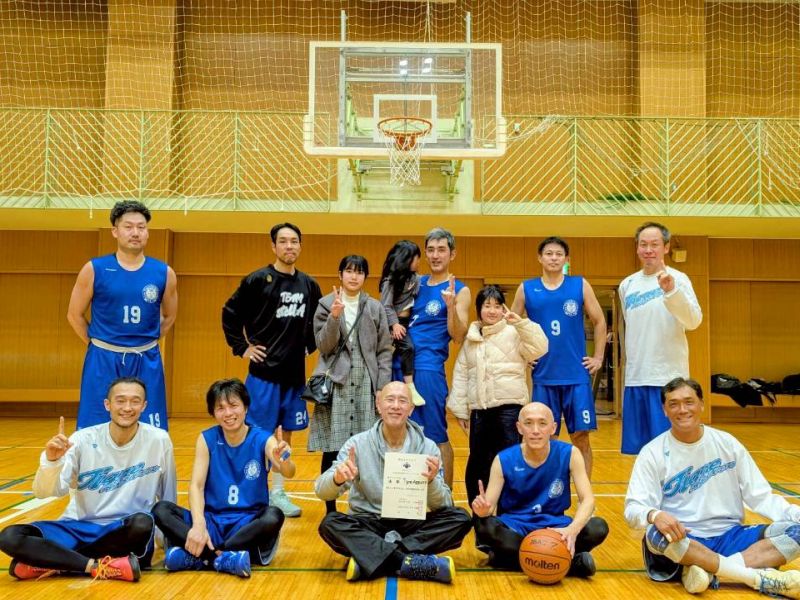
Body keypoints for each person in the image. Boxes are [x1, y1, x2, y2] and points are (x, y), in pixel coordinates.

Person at [625, 378, 800, 597]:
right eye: (674, 404)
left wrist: (796, 514)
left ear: (701, 404)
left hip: (730, 536)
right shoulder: (652, 452)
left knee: (797, 531)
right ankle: (755, 578)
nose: (682, 409)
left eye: (689, 402)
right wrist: (655, 514)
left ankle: (707, 572)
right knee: (654, 533)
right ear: (664, 410)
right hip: (684, 540)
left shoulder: (727, 443)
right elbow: (633, 509)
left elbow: (761, 497)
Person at [0, 377, 176, 582]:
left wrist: (167, 545)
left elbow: (167, 499)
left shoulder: (159, 440)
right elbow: (46, 492)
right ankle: (95, 566)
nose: (127, 407)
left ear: (144, 406)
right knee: (10, 536)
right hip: (79, 527)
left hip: (123, 531)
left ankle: (54, 561)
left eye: (135, 401)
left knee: (143, 523)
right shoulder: (82, 439)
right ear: (107, 404)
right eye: (120, 400)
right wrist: (52, 461)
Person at [315, 381, 472, 583]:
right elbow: (321, 491)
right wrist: (337, 479)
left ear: (411, 409)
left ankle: (371, 558)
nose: (396, 406)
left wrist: (432, 482)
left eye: (402, 401)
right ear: (378, 405)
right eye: (390, 400)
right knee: (330, 523)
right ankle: (407, 561)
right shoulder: (357, 445)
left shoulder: (428, 448)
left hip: (411, 523)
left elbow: (444, 505)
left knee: (460, 518)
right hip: (369, 522)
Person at [222, 222, 321, 517]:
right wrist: (243, 347)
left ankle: (278, 492)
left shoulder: (309, 285)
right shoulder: (257, 280)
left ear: (300, 246)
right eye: (283, 241)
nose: (289, 246)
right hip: (263, 376)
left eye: (294, 241)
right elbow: (230, 313)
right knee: (257, 434)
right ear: (274, 246)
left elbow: (318, 321)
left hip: (294, 376)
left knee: (286, 437)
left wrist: (310, 346)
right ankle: (253, 492)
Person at [153, 379, 294, 578]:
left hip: (247, 524)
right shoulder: (207, 439)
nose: (228, 413)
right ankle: (224, 558)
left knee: (274, 515)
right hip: (212, 521)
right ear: (213, 412)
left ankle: (203, 558)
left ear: (245, 407)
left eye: (233, 405)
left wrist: (284, 459)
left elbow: (288, 472)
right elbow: (196, 486)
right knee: (161, 509)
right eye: (220, 408)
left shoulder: (263, 438)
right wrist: (199, 524)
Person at [67, 200, 178, 430]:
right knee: (95, 424)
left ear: (147, 232)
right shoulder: (94, 269)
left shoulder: (163, 272)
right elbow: (74, 315)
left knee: (151, 426)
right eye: (128, 227)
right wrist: (98, 344)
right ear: (115, 231)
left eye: (141, 227)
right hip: (103, 357)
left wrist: (147, 341)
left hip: (146, 357)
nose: (135, 232)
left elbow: (169, 317)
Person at [471, 402, 608, 576]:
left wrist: (573, 529)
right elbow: (489, 508)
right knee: (483, 526)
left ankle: (510, 559)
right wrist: (482, 510)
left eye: (542, 423)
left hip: (555, 528)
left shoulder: (570, 453)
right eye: (528, 423)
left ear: (553, 428)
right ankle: (570, 564)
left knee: (598, 527)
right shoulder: (503, 459)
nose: (535, 430)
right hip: (516, 528)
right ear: (519, 428)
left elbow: (587, 499)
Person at [510, 236, 606, 478]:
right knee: (545, 438)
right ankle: (549, 490)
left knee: (581, 437)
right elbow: (510, 326)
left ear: (566, 259)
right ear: (540, 258)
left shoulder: (579, 285)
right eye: (549, 253)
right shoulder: (527, 288)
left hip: (576, 376)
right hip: (544, 377)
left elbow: (599, 320)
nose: (553, 258)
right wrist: (522, 355)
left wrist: (598, 357)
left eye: (558, 254)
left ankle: (584, 492)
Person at [448, 285, 548, 504]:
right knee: (478, 464)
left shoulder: (514, 332)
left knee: (510, 462)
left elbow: (540, 347)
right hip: (480, 412)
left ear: (503, 309)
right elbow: (462, 374)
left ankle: (508, 513)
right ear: (479, 309)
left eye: (497, 306)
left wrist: (521, 323)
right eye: (487, 306)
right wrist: (460, 410)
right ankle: (479, 512)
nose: (492, 311)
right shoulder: (471, 339)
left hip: (509, 411)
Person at [309, 254, 393, 514]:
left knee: (369, 445)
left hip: (366, 381)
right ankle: (331, 511)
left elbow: (384, 350)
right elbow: (323, 346)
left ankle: (368, 507)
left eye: (359, 272)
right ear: (340, 274)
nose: (354, 276)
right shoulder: (325, 304)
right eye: (349, 271)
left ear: (365, 277)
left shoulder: (375, 307)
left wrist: (382, 387)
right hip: (337, 383)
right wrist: (334, 317)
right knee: (333, 447)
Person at [619, 222, 702, 455]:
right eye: (643, 244)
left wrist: (672, 292)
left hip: (668, 379)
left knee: (671, 450)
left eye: (654, 244)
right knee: (642, 453)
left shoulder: (679, 279)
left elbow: (693, 321)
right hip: (636, 379)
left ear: (665, 247)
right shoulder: (627, 285)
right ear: (637, 248)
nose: (648, 250)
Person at [400, 227, 471, 488]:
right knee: (401, 435)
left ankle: (446, 500)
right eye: (430, 250)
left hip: (428, 369)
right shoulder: (414, 283)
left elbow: (459, 335)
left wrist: (450, 307)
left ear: (452, 254)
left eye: (441, 249)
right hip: (400, 365)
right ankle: (405, 500)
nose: (435, 255)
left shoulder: (460, 289)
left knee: (436, 436)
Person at [379, 240, 425, 406]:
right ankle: (409, 385)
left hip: (406, 321)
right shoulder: (390, 281)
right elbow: (385, 306)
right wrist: (394, 324)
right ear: (406, 259)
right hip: (393, 322)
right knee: (407, 348)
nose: (418, 262)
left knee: (401, 351)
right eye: (416, 258)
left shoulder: (415, 278)